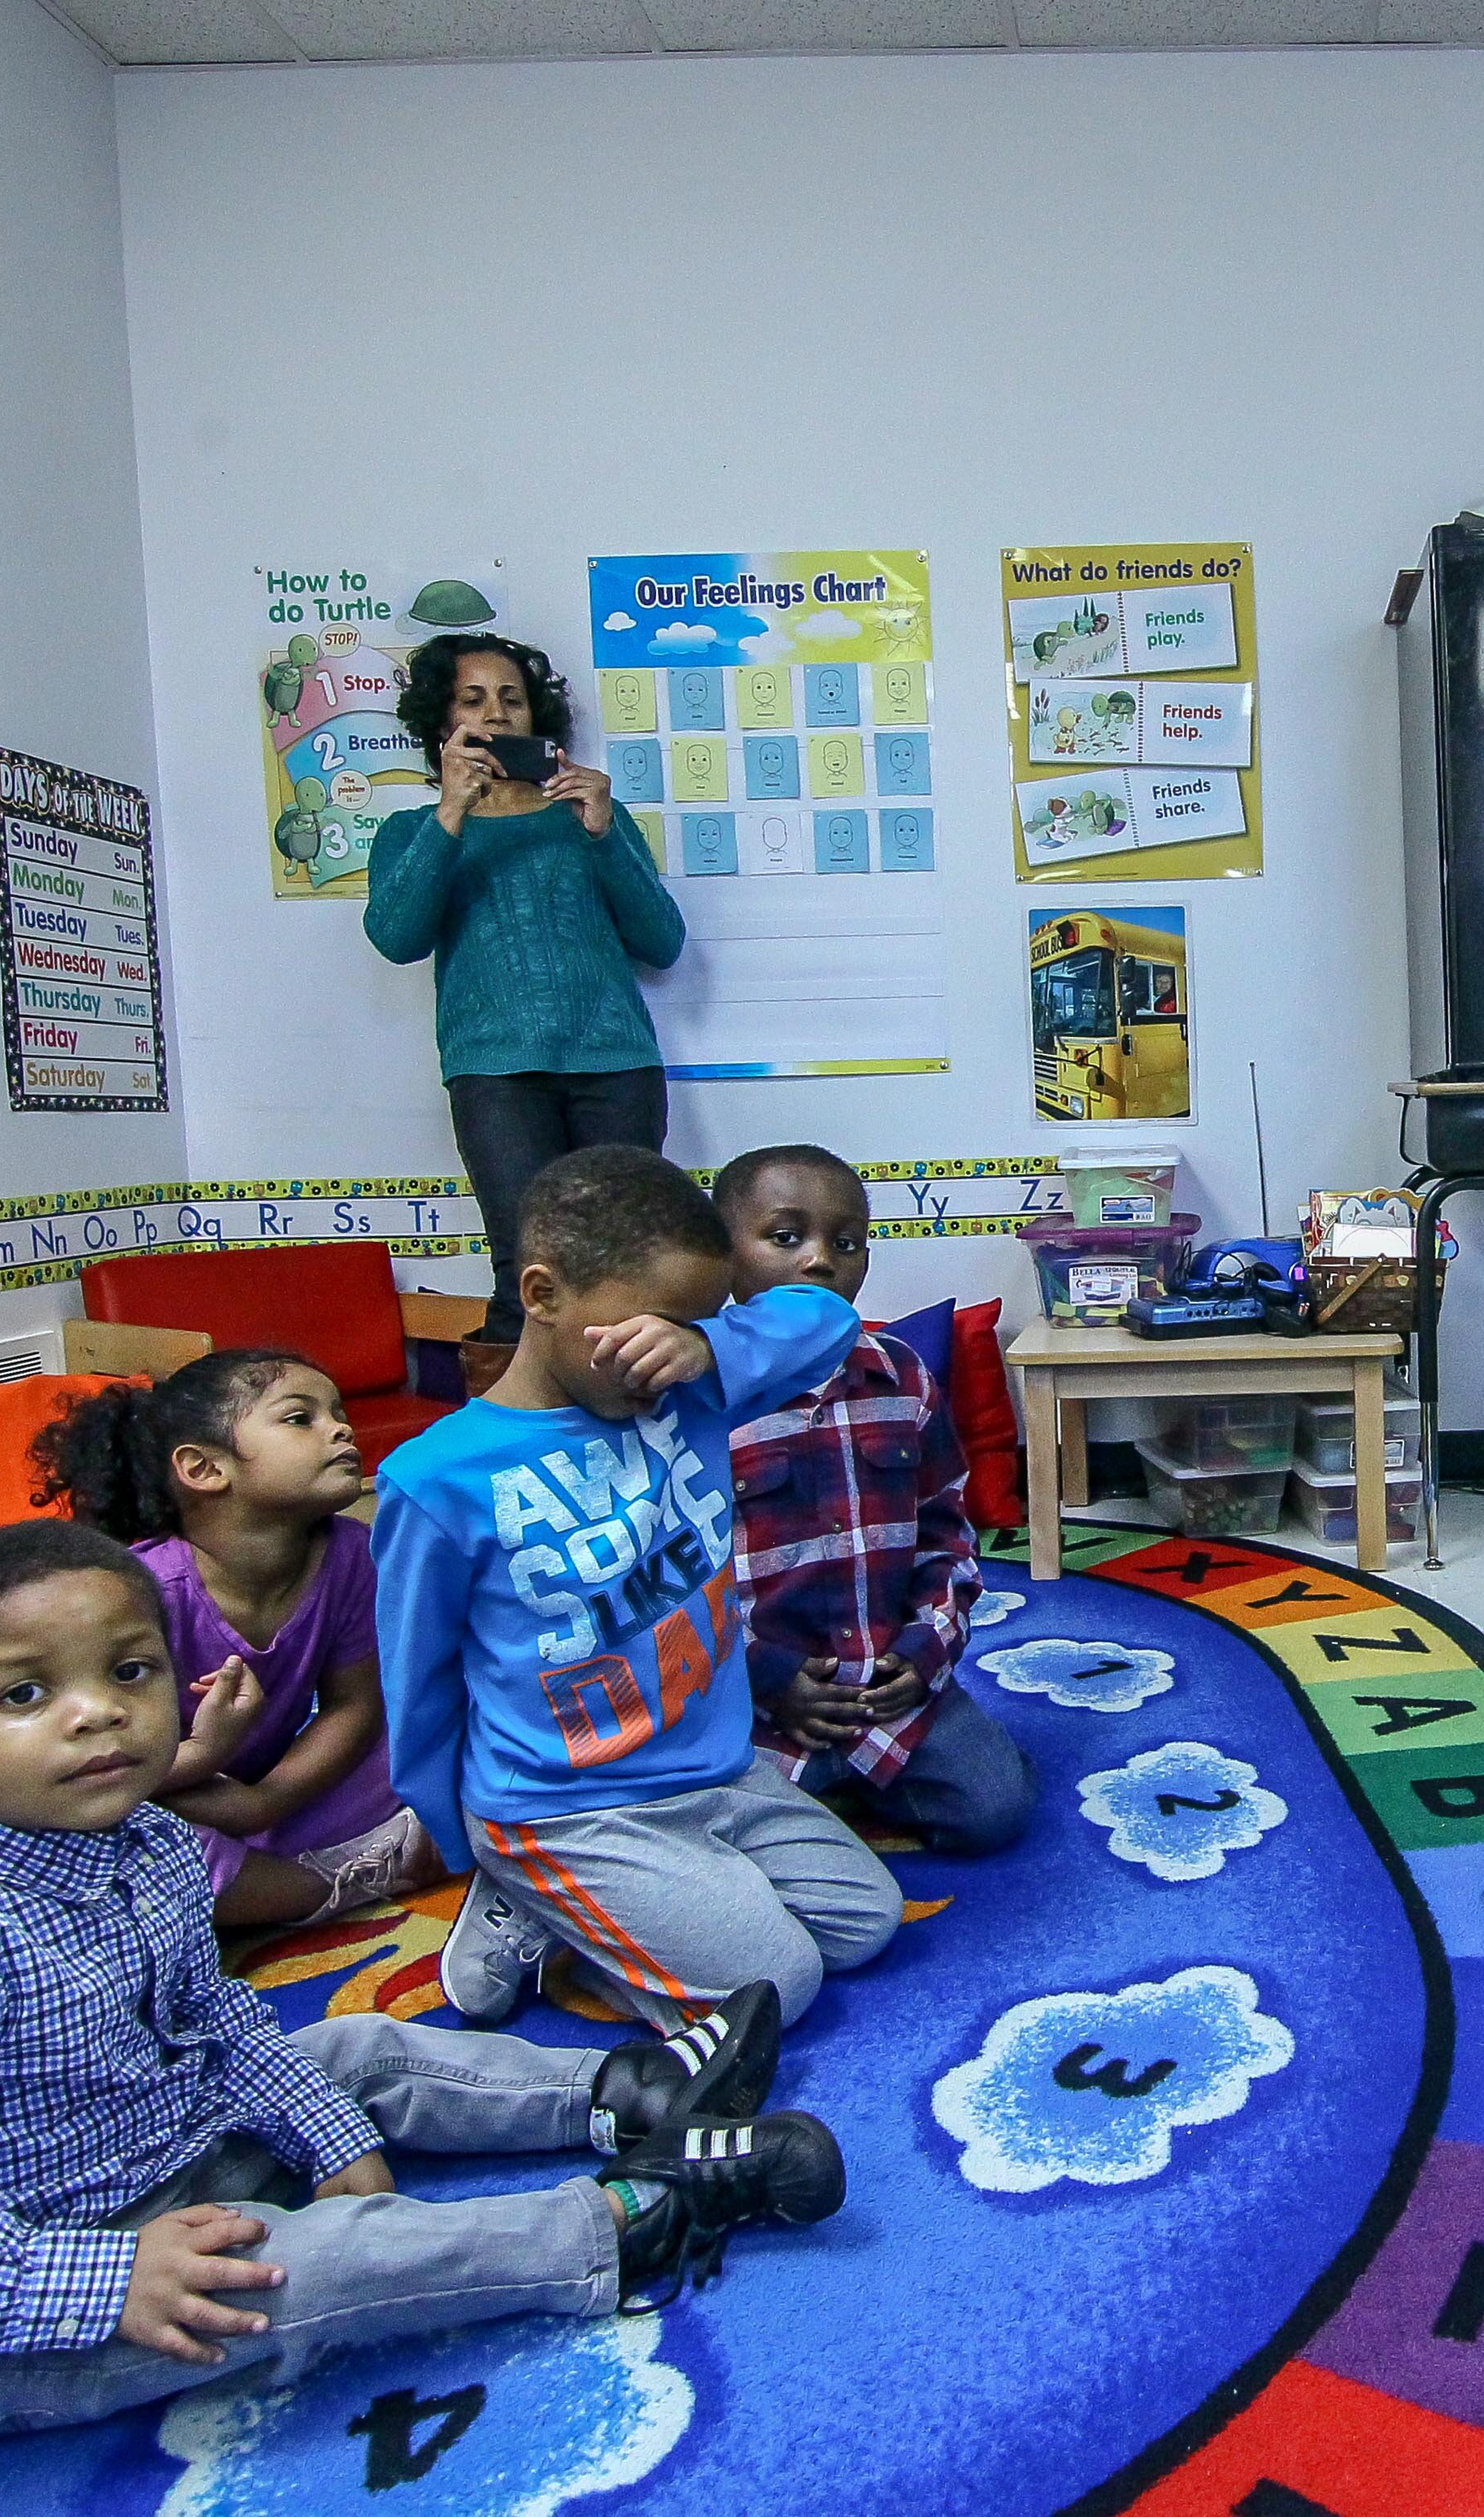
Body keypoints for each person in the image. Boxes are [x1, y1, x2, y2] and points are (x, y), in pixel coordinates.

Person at [0, 1519, 832, 2446]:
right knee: (313, 2263)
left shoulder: (149, 1839)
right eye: (25, 1693)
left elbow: (211, 2019)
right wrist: (100, 2279)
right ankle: (627, 2218)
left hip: (154, 2142)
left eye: (129, 1671)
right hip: (1, 2322)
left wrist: (329, 2129)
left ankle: (632, 2088)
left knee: (350, 2048)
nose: (97, 1711)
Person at [373, 1143, 901, 2034]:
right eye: (650, 1322)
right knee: (780, 1981)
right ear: (540, 1295)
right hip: (561, 1806)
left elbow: (824, 1317)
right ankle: (523, 1887)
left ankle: (605, 1909)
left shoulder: (685, 1393)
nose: (663, 1353)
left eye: (687, 1325)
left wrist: (707, 1341)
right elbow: (416, 1684)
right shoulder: (434, 1479)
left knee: (865, 1919)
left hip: (716, 1772)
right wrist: (468, 1845)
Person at [31, 1349, 446, 1931]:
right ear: (204, 1469)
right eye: (301, 1418)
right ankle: (326, 1885)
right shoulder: (141, 1593)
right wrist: (202, 1756)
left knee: (450, 1740)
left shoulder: (352, 1553)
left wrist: (266, 1800)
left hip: (257, 1789)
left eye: (338, 1412)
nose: (341, 1428)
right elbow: (86, 1762)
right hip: (145, 1788)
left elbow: (353, 1707)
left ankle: (298, 1871)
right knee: (133, 1849)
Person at [363, 635, 685, 1382]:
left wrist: (603, 835)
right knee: (526, 1264)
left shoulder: (589, 813)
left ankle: (634, 1429)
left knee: (628, 1257)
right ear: (441, 720)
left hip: (617, 1065)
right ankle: (505, 1450)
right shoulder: (410, 830)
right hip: (494, 1072)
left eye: (511, 698)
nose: (497, 714)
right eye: (473, 700)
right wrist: (450, 813)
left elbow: (662, 941)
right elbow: (396, 937)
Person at [714, 1144, 1034, 1855]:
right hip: (759, 1703)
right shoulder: (698, 1399)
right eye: (786, 1236)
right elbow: (672, 1586)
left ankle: (856, 1787)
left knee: (996, 1811)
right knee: (717, 1839)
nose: (820, 1260)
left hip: (887, 1686)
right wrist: (768, 1678)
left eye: (847, 1242)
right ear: (723, 1253)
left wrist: (924, 1652)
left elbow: (947, 1532)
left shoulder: (905, 1378)